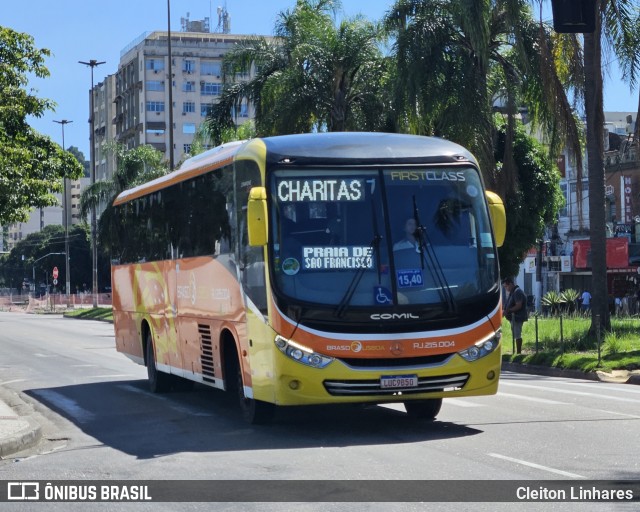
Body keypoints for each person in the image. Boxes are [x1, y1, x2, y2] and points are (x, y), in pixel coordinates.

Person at [502, 276, 527, 354]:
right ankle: (517, 352)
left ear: (510, 284)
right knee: (516, 334)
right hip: (513, 318)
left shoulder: (517, 292)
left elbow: (518, 305)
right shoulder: (513, 292)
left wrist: (508, 310)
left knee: (517, 335)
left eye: (506, 286)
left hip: (517, 317)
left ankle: (518, 353)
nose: (506, 288)